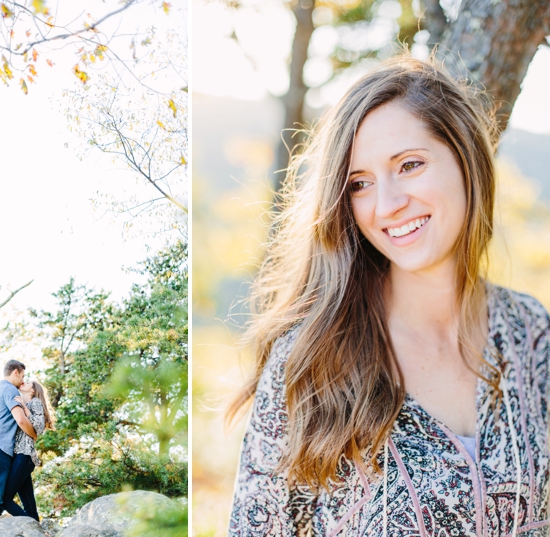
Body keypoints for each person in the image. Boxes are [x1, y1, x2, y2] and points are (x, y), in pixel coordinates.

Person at [227, 55, 550, 536]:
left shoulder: (531, 331)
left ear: (466, 159)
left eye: (410, 165)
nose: (387, 204)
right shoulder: (309, 361)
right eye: (360, 184)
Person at [0, 359, 37, 522]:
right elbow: (22, 421)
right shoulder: (10, 389)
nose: (23, 380)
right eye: (22, 376)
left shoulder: (2, 389)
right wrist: (34, 435)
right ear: (15, 372)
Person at [1, 379, 56, 521]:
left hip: (24, 455)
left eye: (28, 383)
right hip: (22, 456)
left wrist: (25, 409)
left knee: (5, 499)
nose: (24, 382)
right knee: (29, 505)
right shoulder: (23, 403)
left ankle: (31, 528)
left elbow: (38, 428)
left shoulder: (35, 402)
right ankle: (37, 532)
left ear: (33, 390)